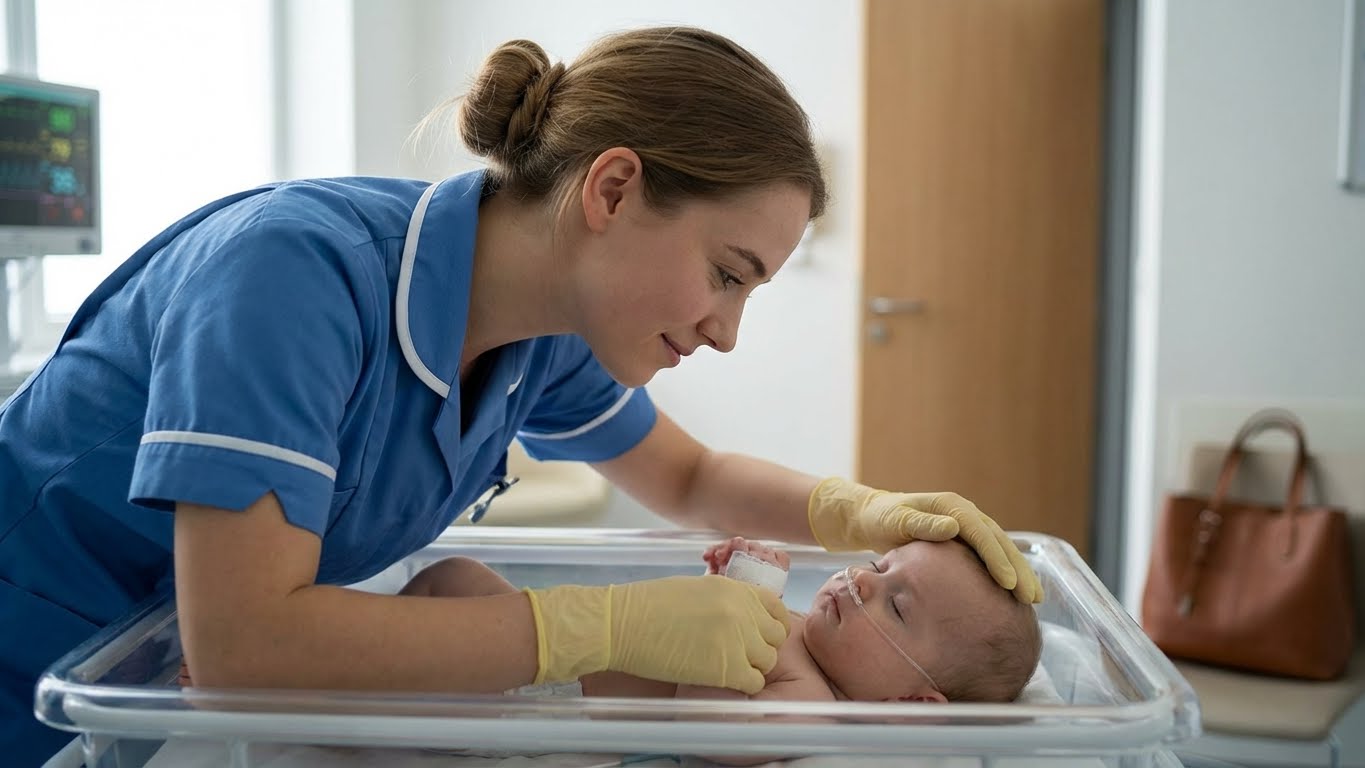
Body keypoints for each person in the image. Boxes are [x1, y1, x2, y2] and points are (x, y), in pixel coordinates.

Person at [0, 26, 1041, 764]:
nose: (727, 333)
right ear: (613, 189)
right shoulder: (293, 277)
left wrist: (859, 511)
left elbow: (693, 477)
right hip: (28, 682)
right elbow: (246, 647)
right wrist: (602, 627)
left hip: (144, 699)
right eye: (728, 274)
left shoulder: (544, 335)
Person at [398, 536, 1043, 706]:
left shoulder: (811, 697)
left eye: (897, 606)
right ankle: (341, 657)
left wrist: (742, 590)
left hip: (546, 694)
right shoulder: (800, 631)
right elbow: (689, 633)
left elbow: (707, 719)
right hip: (560, 650)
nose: (863, 580)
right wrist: (720, 586)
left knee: (449, 591)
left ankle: (333, 689)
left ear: (914, 700)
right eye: (879, 564)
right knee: (450, 575)